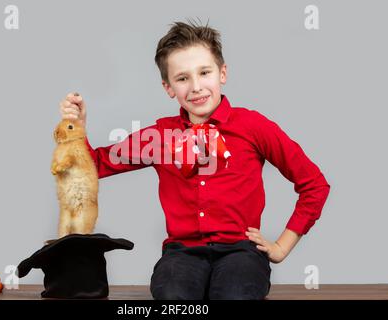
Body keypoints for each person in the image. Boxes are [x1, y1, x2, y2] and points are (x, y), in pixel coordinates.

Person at [58, 20, 330, 300]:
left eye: (204, 73)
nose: (196, 86)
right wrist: (77, 127)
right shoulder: (161, 136)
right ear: (168, 87)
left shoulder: (254, 126)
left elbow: (314, 185)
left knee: (234, 294)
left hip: (241, 251)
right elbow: (93, 166)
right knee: (174, 296)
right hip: (182, 253)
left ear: (222, 73)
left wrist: (282, 247)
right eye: (183, 78)